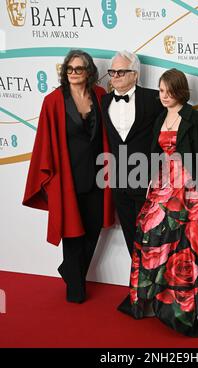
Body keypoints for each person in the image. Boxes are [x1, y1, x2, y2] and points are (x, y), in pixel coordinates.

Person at [118, 68, 198, 338]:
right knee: (150, 233)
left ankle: (186, 308)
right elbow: (154, 156)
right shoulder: (160, 117)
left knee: (188, 241)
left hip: (188, 186)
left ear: (180, 90)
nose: (164, 96)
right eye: (161, 91)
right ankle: (156, 297)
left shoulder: (196, 118)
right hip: (162, 185)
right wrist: (149, 185)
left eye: (169, 91)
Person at [23, 49, 114, 303]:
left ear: (89, 72)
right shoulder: (53, 101)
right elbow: (44, 141)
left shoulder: (99, 95)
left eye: (79, 69)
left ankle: (69, 270)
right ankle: (76, 289)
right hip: (67, 178)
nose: (73, 73)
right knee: (73, 232)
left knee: (93, 228)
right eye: (70, 69)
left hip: (98, 176)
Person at [101, 50, 163, 256]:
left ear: (135, 74)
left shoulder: (154, 98)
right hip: (119, 182)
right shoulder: (104, 101)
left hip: (147, 181)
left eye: (121, 72)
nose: (115, 76)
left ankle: (152, 286)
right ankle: (137, 285)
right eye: (112, 72)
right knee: (130, 236)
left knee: (152, 237)